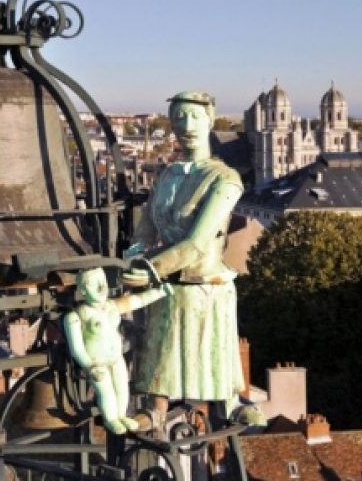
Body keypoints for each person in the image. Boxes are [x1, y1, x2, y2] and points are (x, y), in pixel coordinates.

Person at [123, 91, 264, 432]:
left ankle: (229, 403)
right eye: (179, 117)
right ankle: (155, 409)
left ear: (210, 119)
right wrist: (127, 260)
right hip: (166, 285)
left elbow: (198, 243)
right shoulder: (167, 176)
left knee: (212, 351)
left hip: (205, 285)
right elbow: (145, 232)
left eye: (194, 117)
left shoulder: (224, 178)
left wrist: (151, 268)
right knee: (161, 356)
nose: (186, 125)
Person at [64, 267, 166, 434]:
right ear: (82, 290)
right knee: (106, 391)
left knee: (121, 387)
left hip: (116, 358)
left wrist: (158, 293)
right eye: (92, 283)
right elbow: (77, 348)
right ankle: (111, 419)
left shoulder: (112, 306)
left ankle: (121, 415)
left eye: (102, 280)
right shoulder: (77, 316)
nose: (100, 286)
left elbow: (137, 300)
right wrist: (90, 366)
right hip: (97, 363)